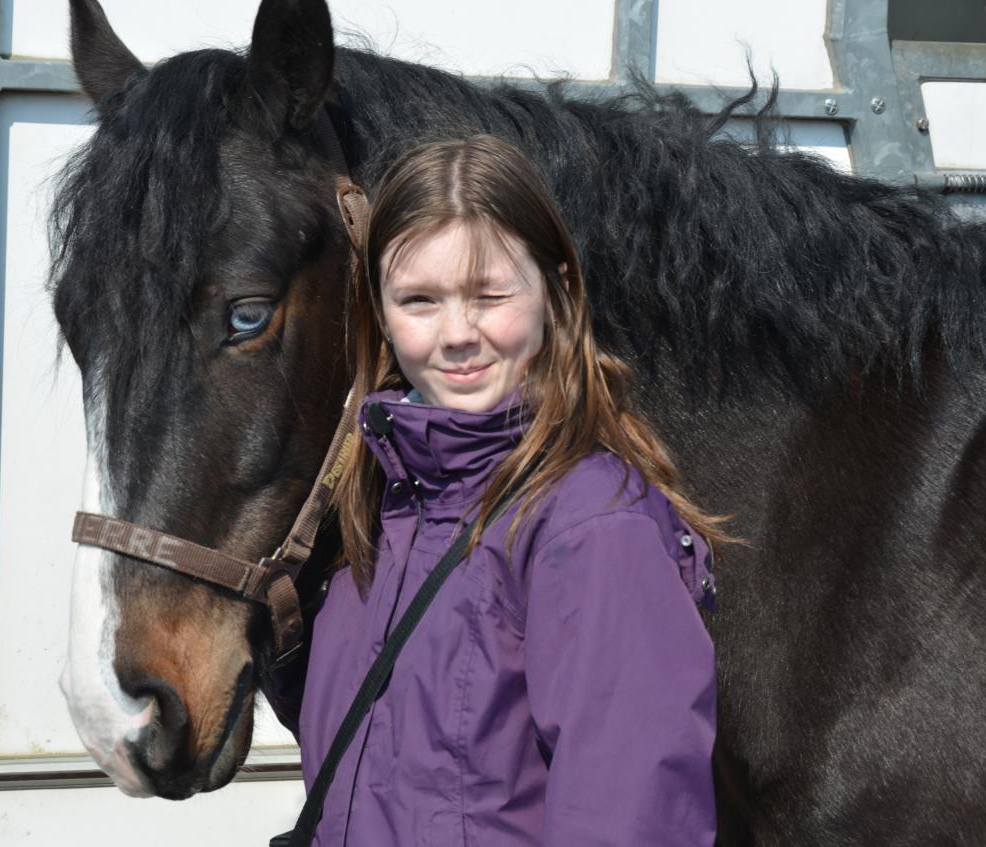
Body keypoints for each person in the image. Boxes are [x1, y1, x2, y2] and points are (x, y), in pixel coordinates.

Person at [283, 134, 727, 846]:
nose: (456, 334)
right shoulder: (378, 516)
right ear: (379, 312)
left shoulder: (592, 527)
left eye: (489, 295)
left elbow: (630, 822)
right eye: (418, 300)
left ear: (558, 291)